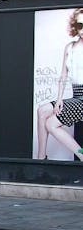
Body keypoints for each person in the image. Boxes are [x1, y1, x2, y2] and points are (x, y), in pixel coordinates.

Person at [36, 8, 83, 160]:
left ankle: (81, 155)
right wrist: (59, 99)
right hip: (77, 96)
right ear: (75, 26)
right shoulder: (70, 47)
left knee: (51, 124)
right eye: (80, 25)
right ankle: (41, 157)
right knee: (42, 111)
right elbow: (63, 75)